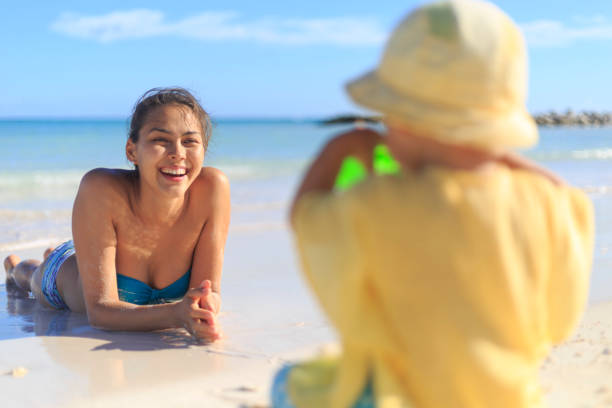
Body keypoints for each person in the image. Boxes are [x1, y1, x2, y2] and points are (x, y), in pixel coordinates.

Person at [273, 1, 594, 407]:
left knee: (291, 383)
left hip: (404, 397)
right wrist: (499, 156)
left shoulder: (376, 204)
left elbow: (306, 219)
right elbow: (560, 318)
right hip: (509, 399)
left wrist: (337, 150)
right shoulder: (547, 205)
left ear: (401, 118)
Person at [3, 87, 230, 342]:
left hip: (92, 250)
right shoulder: (101, 188)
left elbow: (212, 291)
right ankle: (13, 269)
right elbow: (100, 312)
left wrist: (206, 304)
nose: (178, 152)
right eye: (160, 140)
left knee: (76, 257)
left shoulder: (212, 190)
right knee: (32, 275)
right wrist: (177, 314)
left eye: (189, 141)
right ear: (132, 151)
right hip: (60, 280)